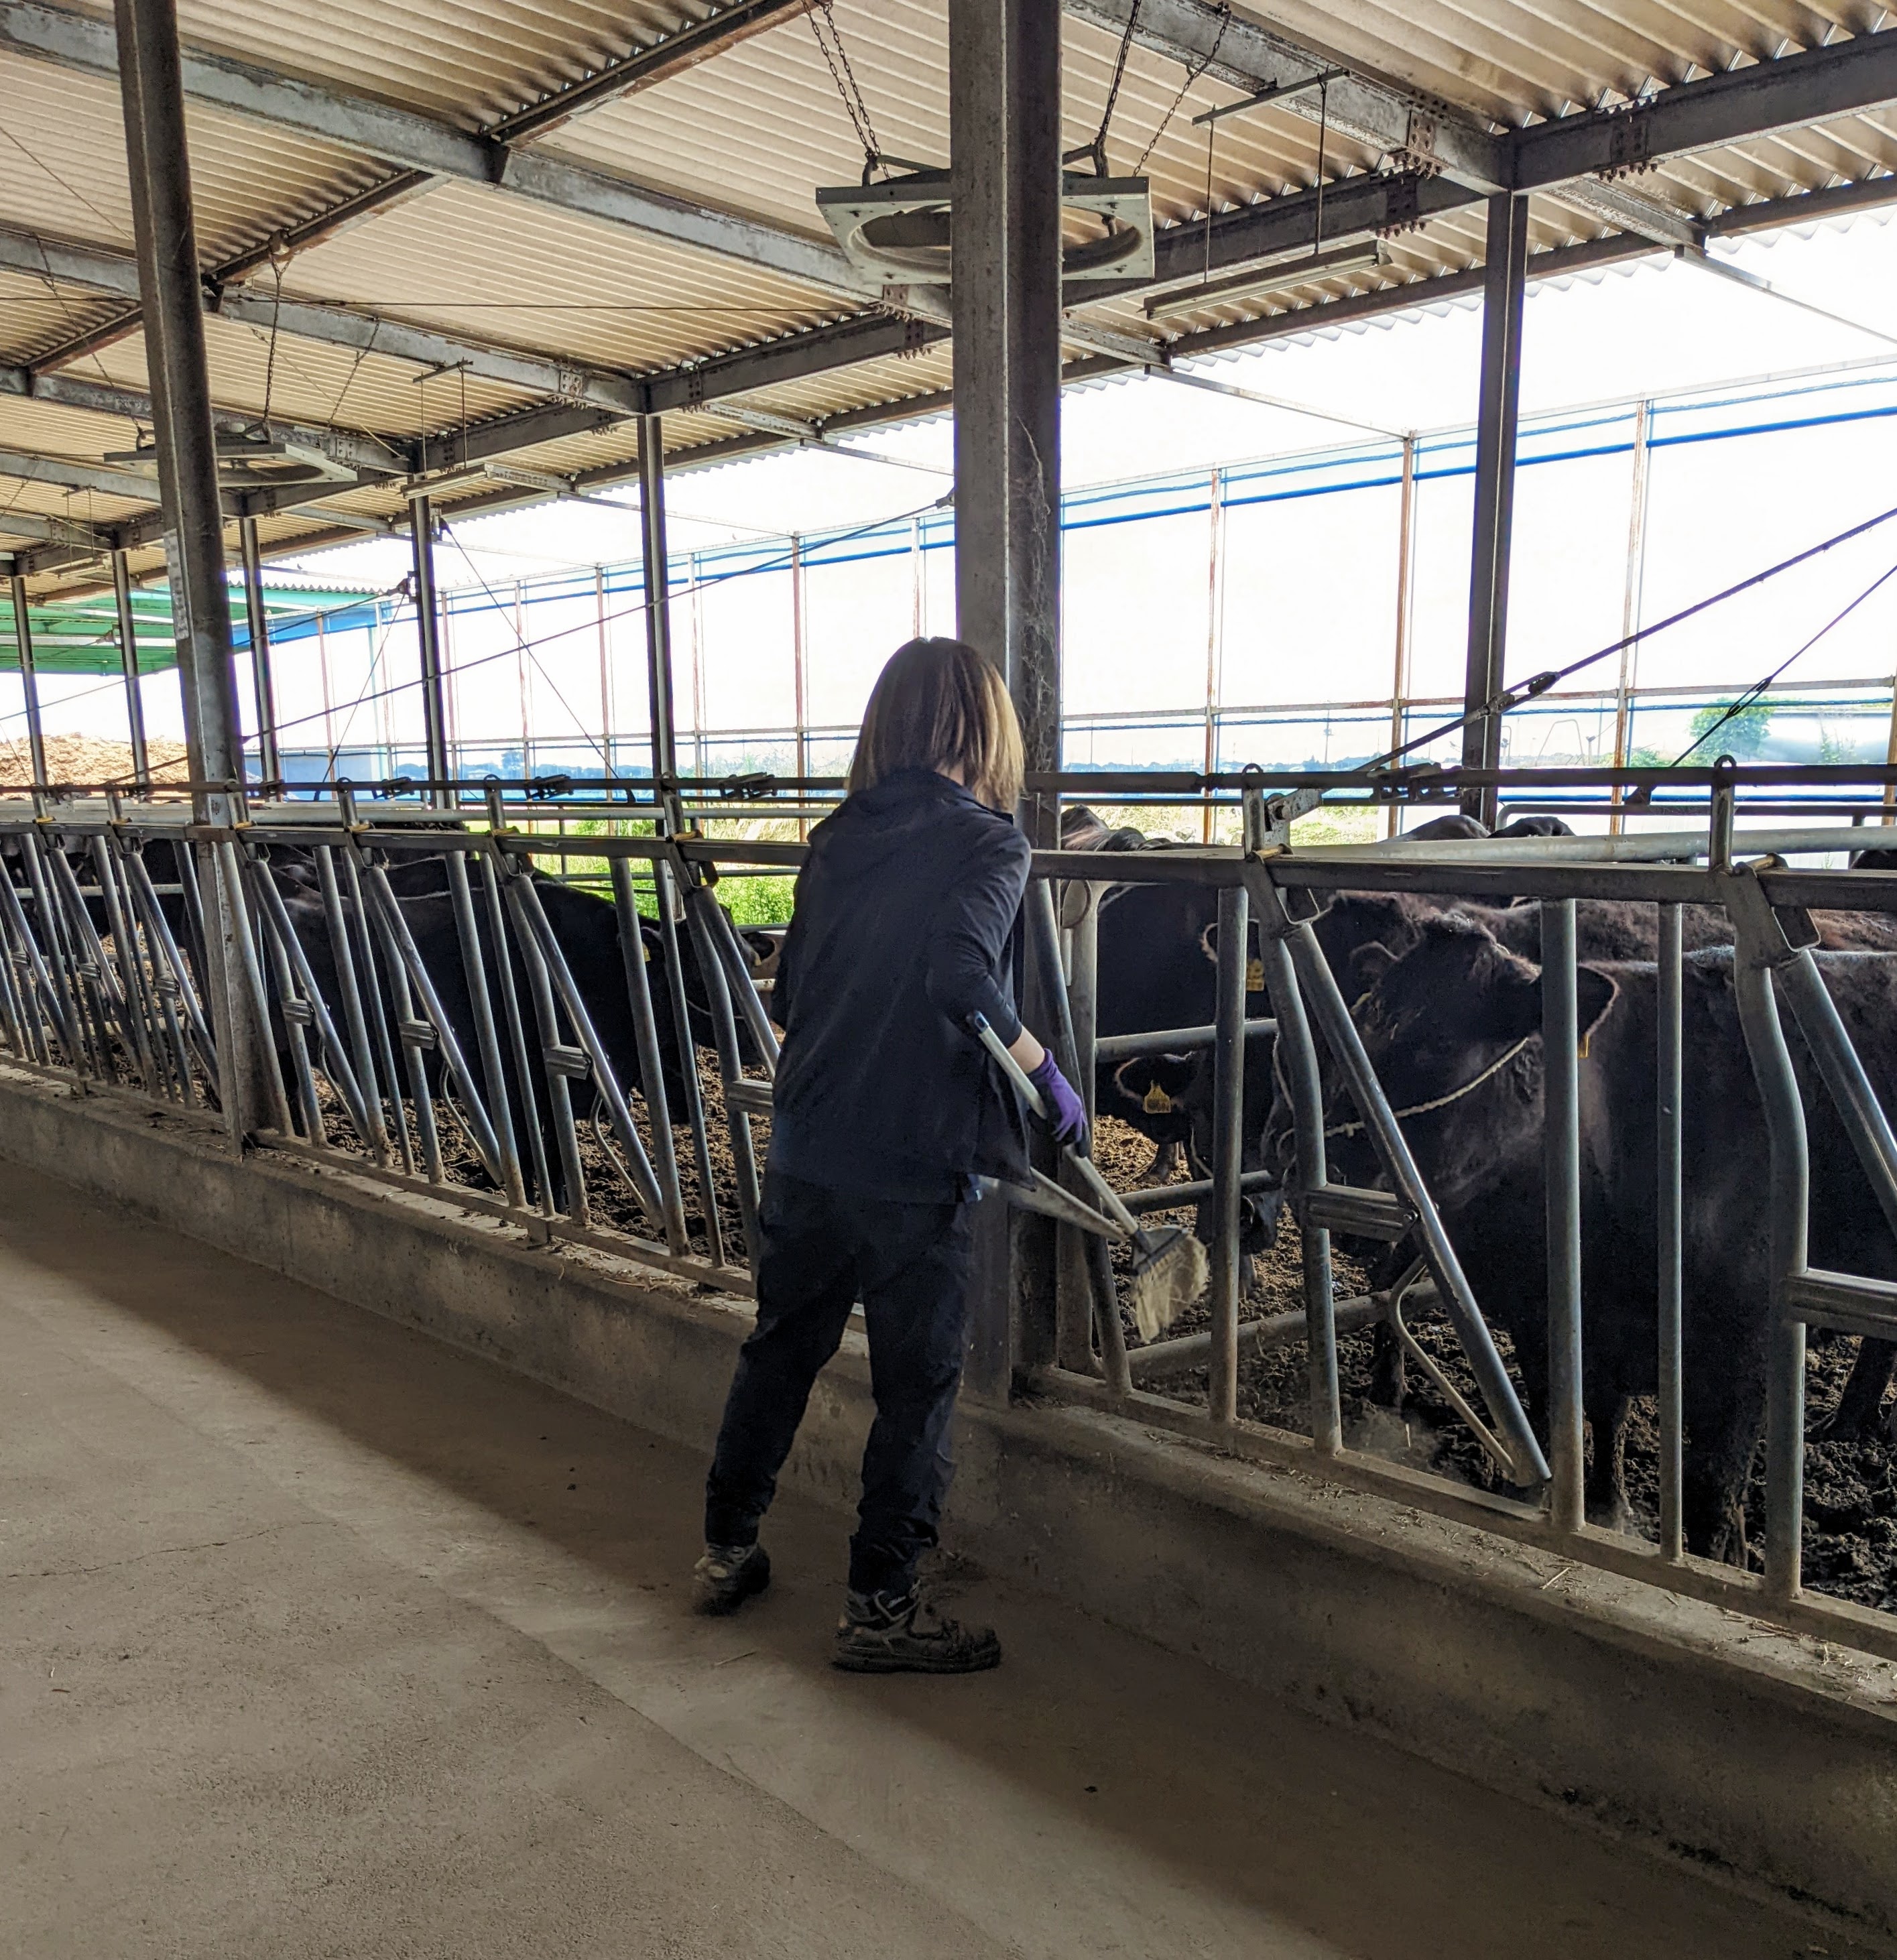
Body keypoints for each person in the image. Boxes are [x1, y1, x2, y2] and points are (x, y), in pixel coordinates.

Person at [693, 637, 1087, 1674]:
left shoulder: (835, 839)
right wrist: (1045, 1075)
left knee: (780, 1350)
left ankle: (724, 1551)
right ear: (985, 727)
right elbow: (960, 976)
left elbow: (790, 994)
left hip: (809, 1140)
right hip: (913, 1162)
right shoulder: (989, 845)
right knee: (915, 1391)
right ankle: (880, 1610)